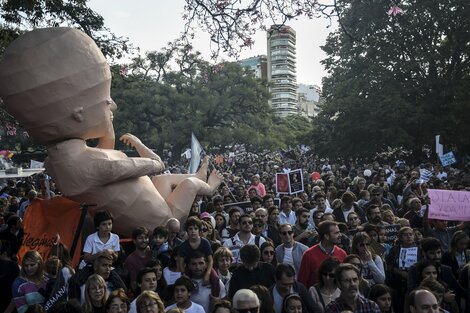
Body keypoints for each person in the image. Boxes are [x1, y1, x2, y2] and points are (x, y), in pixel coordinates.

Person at [0, 27, 224, 237]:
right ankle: (208, 187)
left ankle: (197, 176)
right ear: (78, 114)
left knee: (165, 180)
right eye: (106, 100)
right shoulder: (93, 168)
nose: (113, 105)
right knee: (187, 185)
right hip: (163, 219)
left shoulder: (63, 163)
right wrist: (140, 147)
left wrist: (107, 122)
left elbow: (106, 149)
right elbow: (154, 163)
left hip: (155, 200)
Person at [298, 221, 347, 289]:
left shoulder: (342, 254)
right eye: (336, 233)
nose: (340, 235)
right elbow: (302, 282)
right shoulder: (309, 255)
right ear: (326, 236)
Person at [124, 227, 152, 293]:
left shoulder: (153, 254)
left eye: (146, 238)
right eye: (140, 238)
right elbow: (134, 284)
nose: (144, 240)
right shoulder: (130, 260)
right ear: (134, 241)